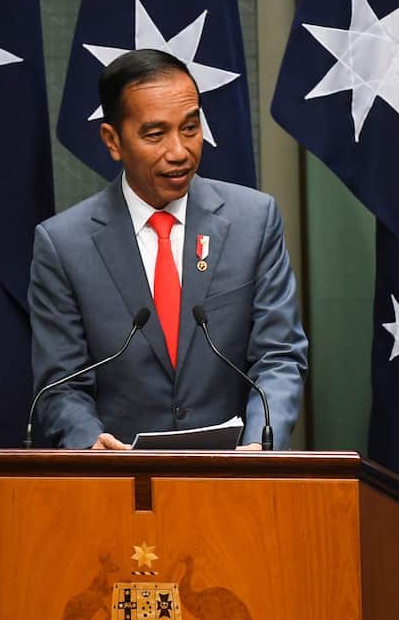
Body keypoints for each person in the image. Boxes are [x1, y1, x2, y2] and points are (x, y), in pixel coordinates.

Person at [29, 48, 308, 449]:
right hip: (121, 479)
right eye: (155, 135)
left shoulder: (254, 221)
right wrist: (91, 445)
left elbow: (279, 357)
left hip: (234, 475)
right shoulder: (63, 245)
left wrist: (259, 446)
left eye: (190, 128)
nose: (179, 151)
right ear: (112, 140)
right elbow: (62, 384)